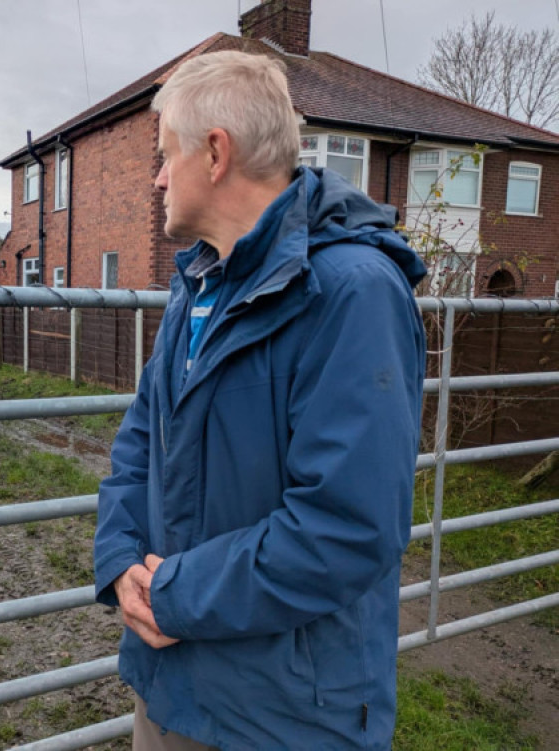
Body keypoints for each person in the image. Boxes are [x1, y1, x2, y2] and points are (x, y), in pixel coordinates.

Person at [93, 50, 427, 750]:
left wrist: (175, 593)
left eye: (165, 153)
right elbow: (141, 438)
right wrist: (120, 557)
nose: (157, 177)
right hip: (172, 680)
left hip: (281, 716)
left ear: (215, 153)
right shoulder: (198, 286)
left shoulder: (352, 293)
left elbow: (347, 526)